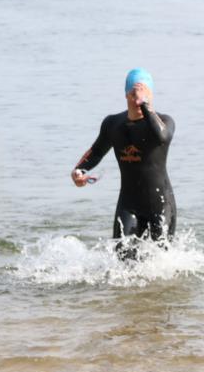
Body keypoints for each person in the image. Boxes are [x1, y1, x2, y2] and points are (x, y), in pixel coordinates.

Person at [72, 68, 176, 258]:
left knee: (162, 262)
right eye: (134, 94)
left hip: (160, 205)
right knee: (121, 259)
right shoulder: (113, 124)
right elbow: (96, 151)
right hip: (129, 204)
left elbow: (161, 136)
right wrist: (79, 170)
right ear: (126, 94)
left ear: (150, 95)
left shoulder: (164, 121)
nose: (138, 100)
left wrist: (144, 104)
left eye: (144, 94)